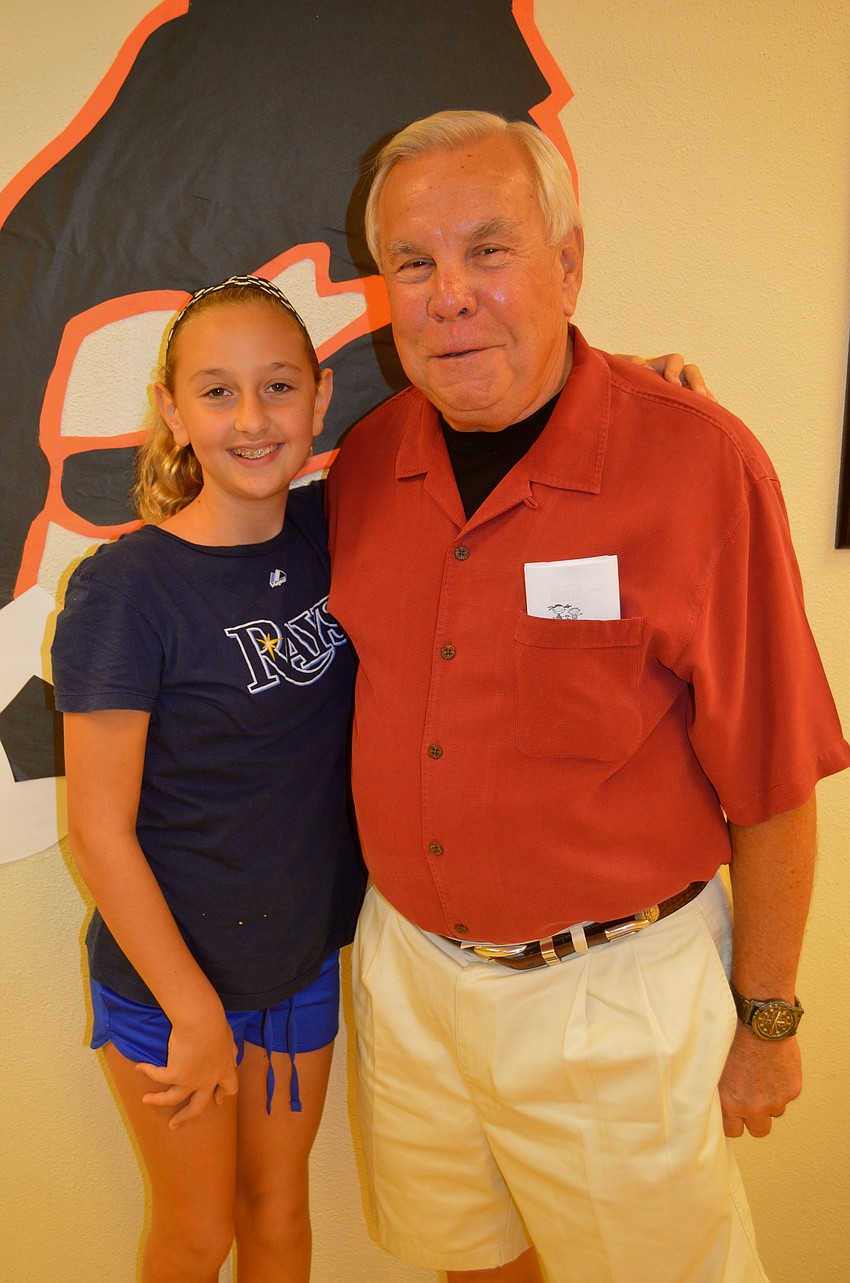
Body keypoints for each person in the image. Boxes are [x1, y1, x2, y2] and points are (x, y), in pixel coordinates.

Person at [325, 111, 850, 1283]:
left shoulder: (695, 463)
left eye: (489, 250)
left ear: (568, 264)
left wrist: (767, 1019)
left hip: (611, 1000)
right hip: (409, 973)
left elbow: (772, 772)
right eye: (415, 262)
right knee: (467, 1260)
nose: (450, 294)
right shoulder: (365, 463)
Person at [51, 276, 364, 1283]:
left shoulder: (336, 524)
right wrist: (191, 1009)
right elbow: (98, 830)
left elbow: (488, 428)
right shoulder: (125, 588)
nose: (253, 417)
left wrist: (636, 381)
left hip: (293, 964)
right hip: (166, 983)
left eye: (277, 385)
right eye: (217, 392)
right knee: (198, 1234)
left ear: (319, 397)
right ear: (173, 412)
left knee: (278, 1213)